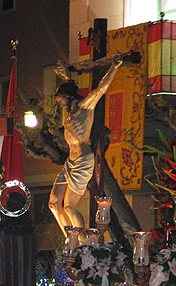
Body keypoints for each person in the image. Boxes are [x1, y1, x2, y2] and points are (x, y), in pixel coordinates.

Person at [48, 58, 123, 235]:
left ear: (68, 96)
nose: (60, 104)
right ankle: (69, 239)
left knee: (69, 207)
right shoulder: (70, 114)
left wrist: (114, 67)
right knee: (53, 203)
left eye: (61, 100)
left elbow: (101, 89)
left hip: (83, 159)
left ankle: (81, 244)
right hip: (70, 162)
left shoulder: (84, 107)